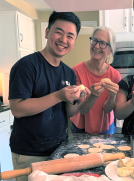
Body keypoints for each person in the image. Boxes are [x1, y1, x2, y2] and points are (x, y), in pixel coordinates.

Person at [9, 11, 89, 181]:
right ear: (47, 32)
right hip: (30, 152)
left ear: (74, 41)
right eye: (59, 32)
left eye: (70, 36)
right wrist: (59, 95)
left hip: (59, 149)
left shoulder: (68, 72)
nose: (63, 40)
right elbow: (17, 109)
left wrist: (77, 97)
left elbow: (70, 112)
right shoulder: (26, 66)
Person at [70, 26, 121, 134]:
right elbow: (81, 109)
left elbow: (107, 109)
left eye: (103, 43)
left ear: (110, 50)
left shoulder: (114, 75)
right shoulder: (76, 71)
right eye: (94, 41)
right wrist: (93, 95)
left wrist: (113, 97)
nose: (96, 46)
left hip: (105, 126)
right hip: (81, 127)